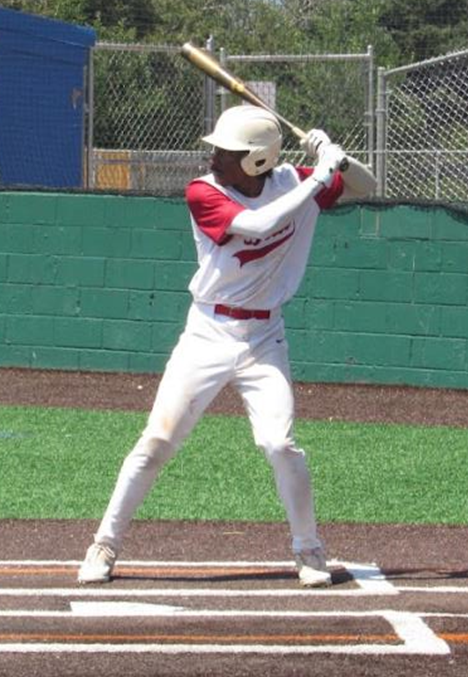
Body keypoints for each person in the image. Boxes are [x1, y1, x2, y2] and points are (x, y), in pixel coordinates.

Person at [78, 105, 377, 588]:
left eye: (227, 152)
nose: (214, 157)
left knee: (280, 444)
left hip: (265, 338)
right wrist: (320, 177)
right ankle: (105, 543)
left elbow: (367, 184)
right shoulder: (204, 191)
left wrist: (334, 155)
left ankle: (309, 549)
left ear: (258, 160)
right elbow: (257, 226)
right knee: (157, 441)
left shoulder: (293, 181)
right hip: (208, 333)